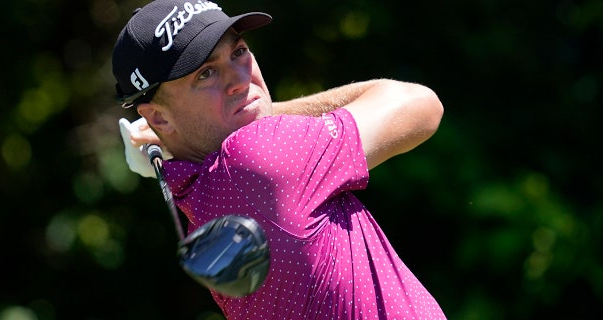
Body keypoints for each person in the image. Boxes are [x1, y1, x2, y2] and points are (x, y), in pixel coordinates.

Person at [112, 0, 446, 319]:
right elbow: (419, 103)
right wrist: (261, 111)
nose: (241, 79)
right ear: (158, 118)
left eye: (239, 52)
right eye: (205, 74)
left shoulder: (197, 195)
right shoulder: (258, 153)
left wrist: (183, 135)